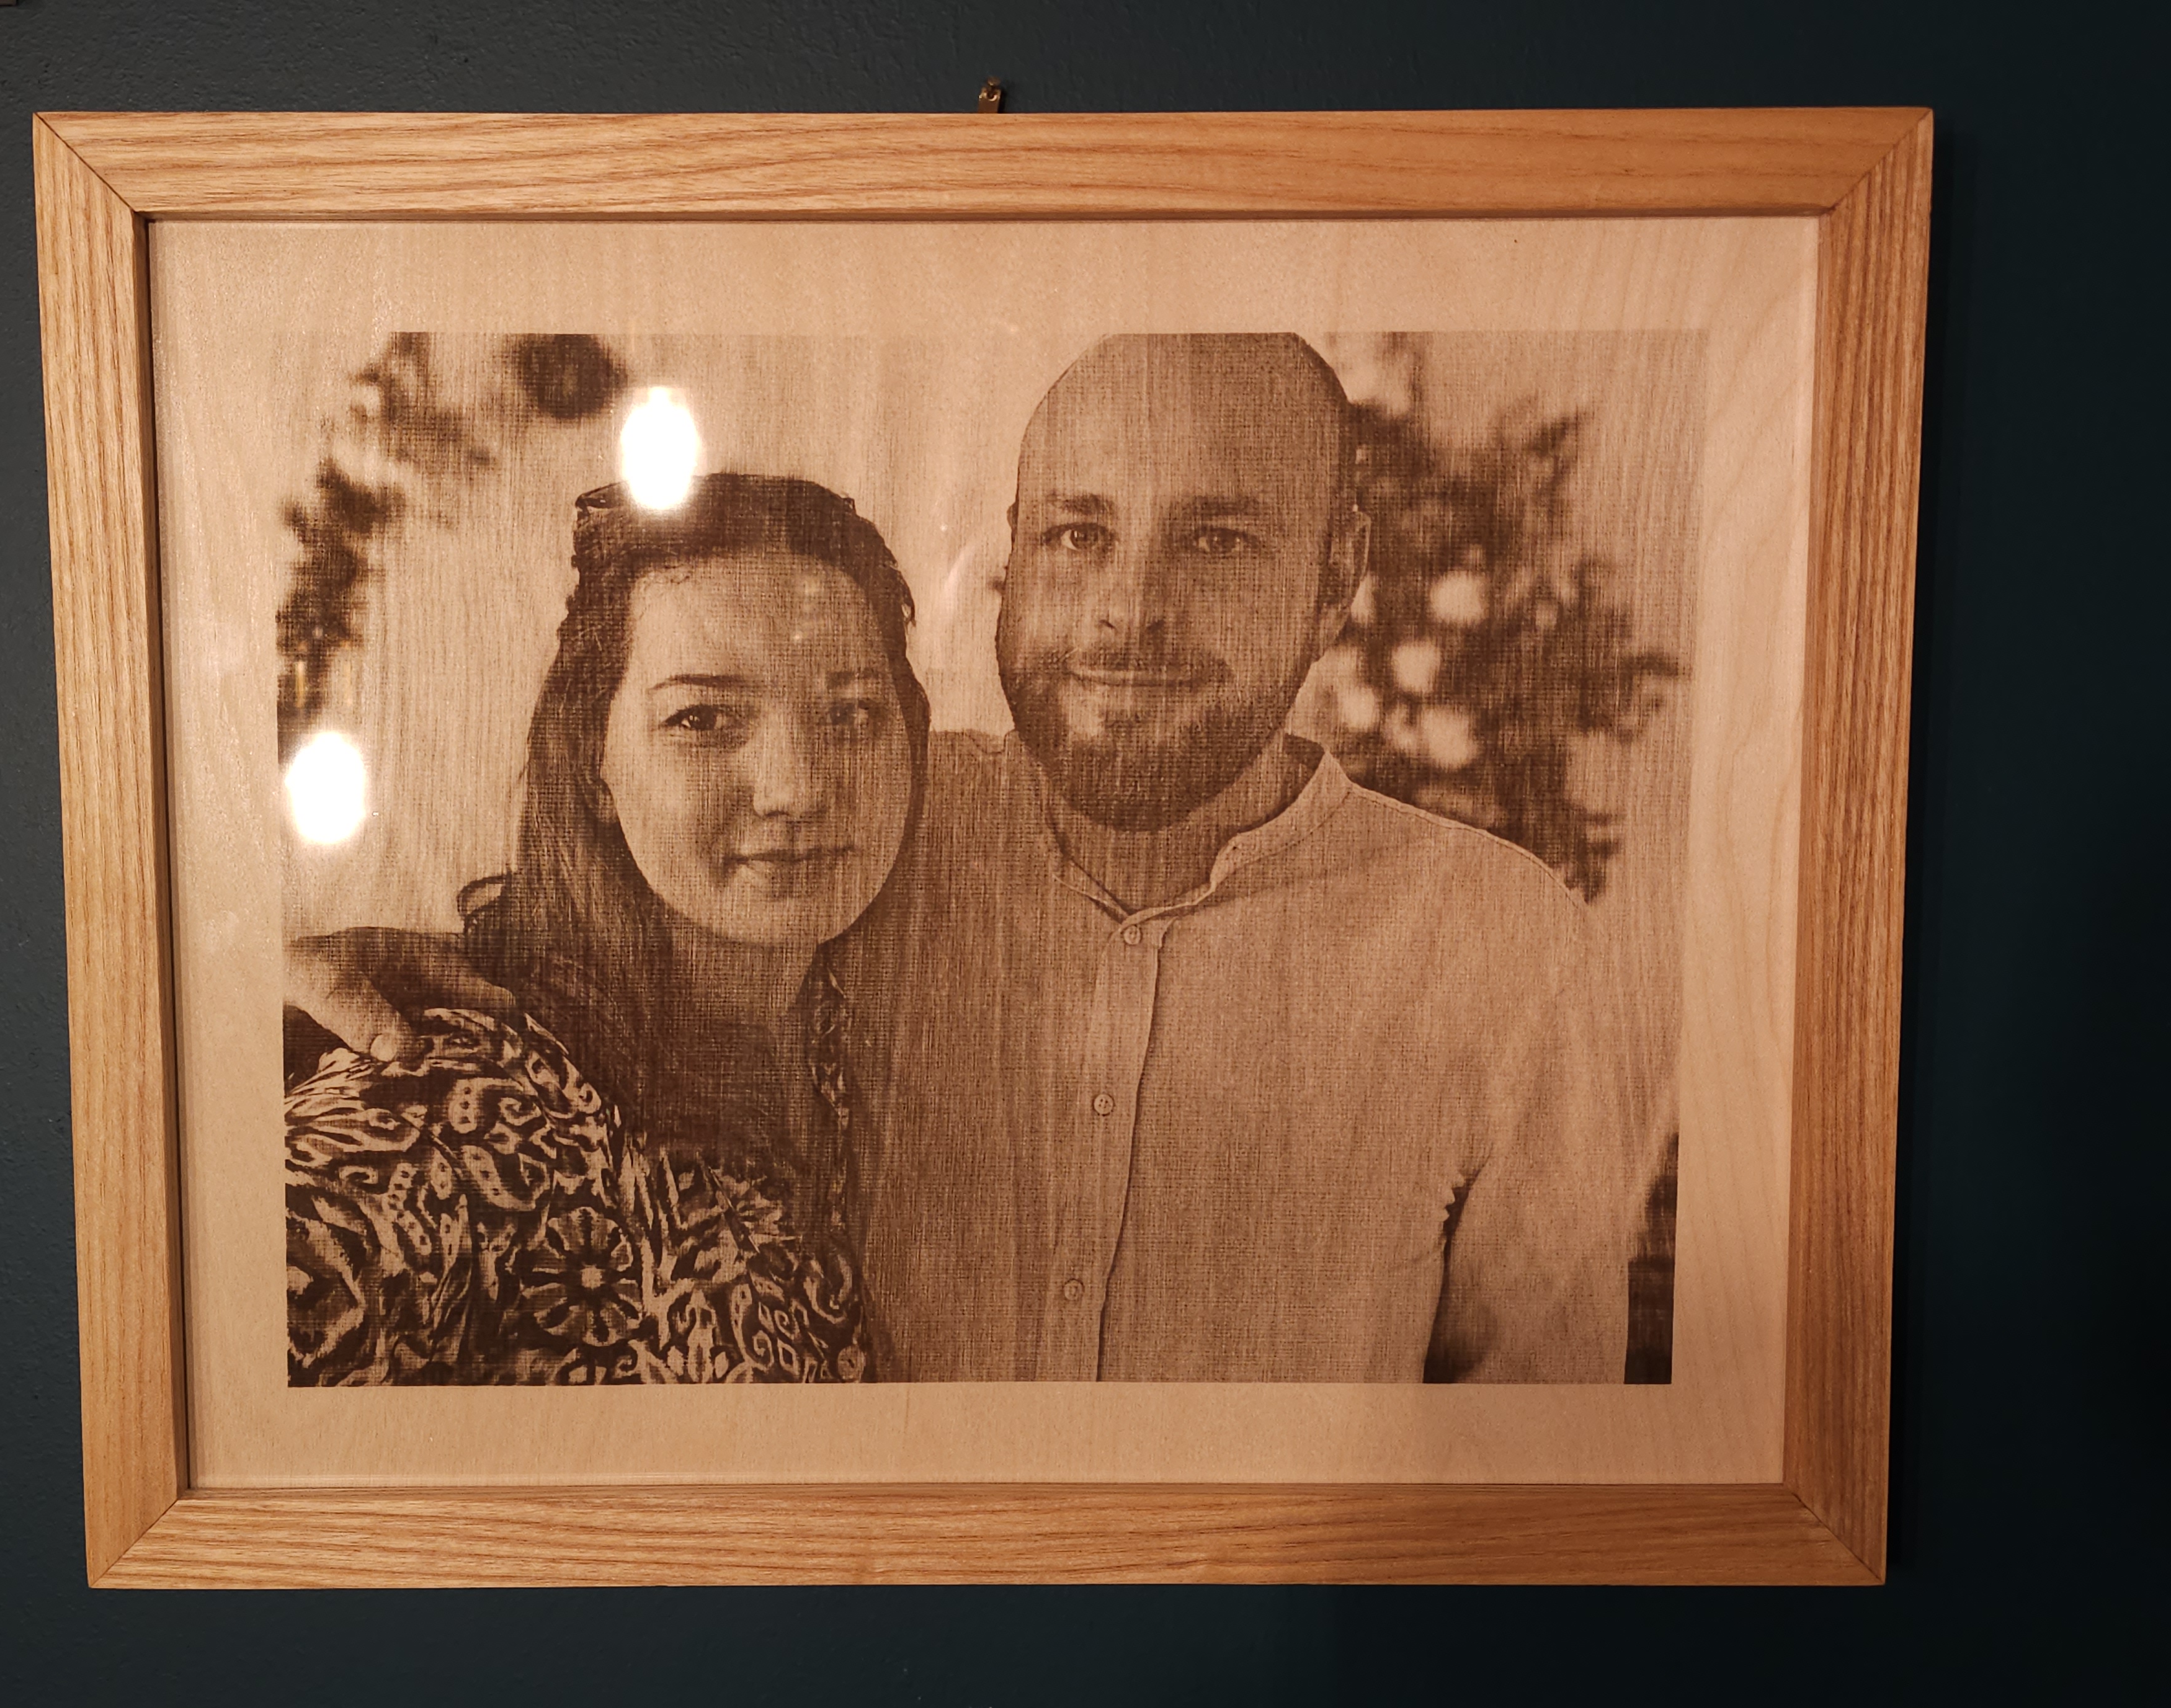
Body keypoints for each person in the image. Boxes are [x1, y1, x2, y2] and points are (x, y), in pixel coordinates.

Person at [293, 336, 1635, 1386]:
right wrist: (288, 1001)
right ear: (1011, 557)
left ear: (1336, 576)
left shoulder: (1502, 945)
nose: (1128, 610)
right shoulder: (864, 834)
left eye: (1218, 539)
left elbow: (1534, 1477)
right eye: (1077, 534)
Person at [284, 474, 929, 1386]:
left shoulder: (846, 1042)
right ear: (595, 764)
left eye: (852, 712)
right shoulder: (462, 1109)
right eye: (703, 718)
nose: (797, 789)